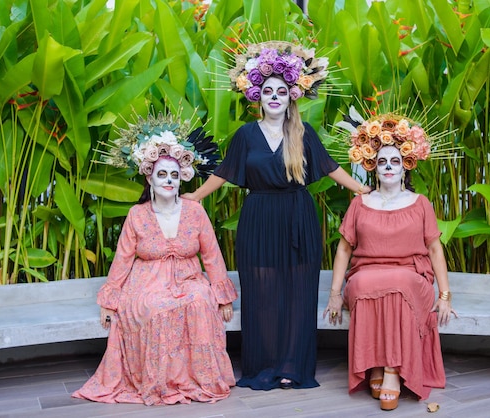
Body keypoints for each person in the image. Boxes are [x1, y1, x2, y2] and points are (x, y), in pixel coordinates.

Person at [182, 41, 370, 390]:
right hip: (258, 219)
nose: (273, 97)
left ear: (290, 96)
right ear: (257, 96)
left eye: (280, 91)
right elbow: (224, 173)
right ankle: (263, 366)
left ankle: (292, 366)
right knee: (263, 294)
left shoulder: (302, 133)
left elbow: (329, 168)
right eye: (267, 91)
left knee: (297, 293)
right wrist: (194, 194)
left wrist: (361, 190)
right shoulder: (245, 136)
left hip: (297, 219)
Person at [72, 113, 238, 405]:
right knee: (155, 308)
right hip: (147, 281)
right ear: (149, 177)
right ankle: (159, 381)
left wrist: (222, 296)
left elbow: (212, 255)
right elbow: (122, 260)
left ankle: (197, 378)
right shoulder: (138, 215)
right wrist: (109, 302)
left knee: (200, 302)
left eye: (174, 175)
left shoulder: (195, 212)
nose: (169, 181)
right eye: (162, 174)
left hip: (188, 277)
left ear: (181, 178)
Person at [324, 110, 457, 410]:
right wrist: (334, 295)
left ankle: (392, 372)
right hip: (365, 274)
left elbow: (435, 250)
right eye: (382, 161)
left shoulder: (420, 203)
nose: (388, 167)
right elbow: (344, 250)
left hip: (412, 276)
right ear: (374, 166)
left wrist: (445, 295)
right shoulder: (360, 203)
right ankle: (373, 364)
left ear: (405, 166)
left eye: (395, 161)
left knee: (397, 284)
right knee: (367, 282)